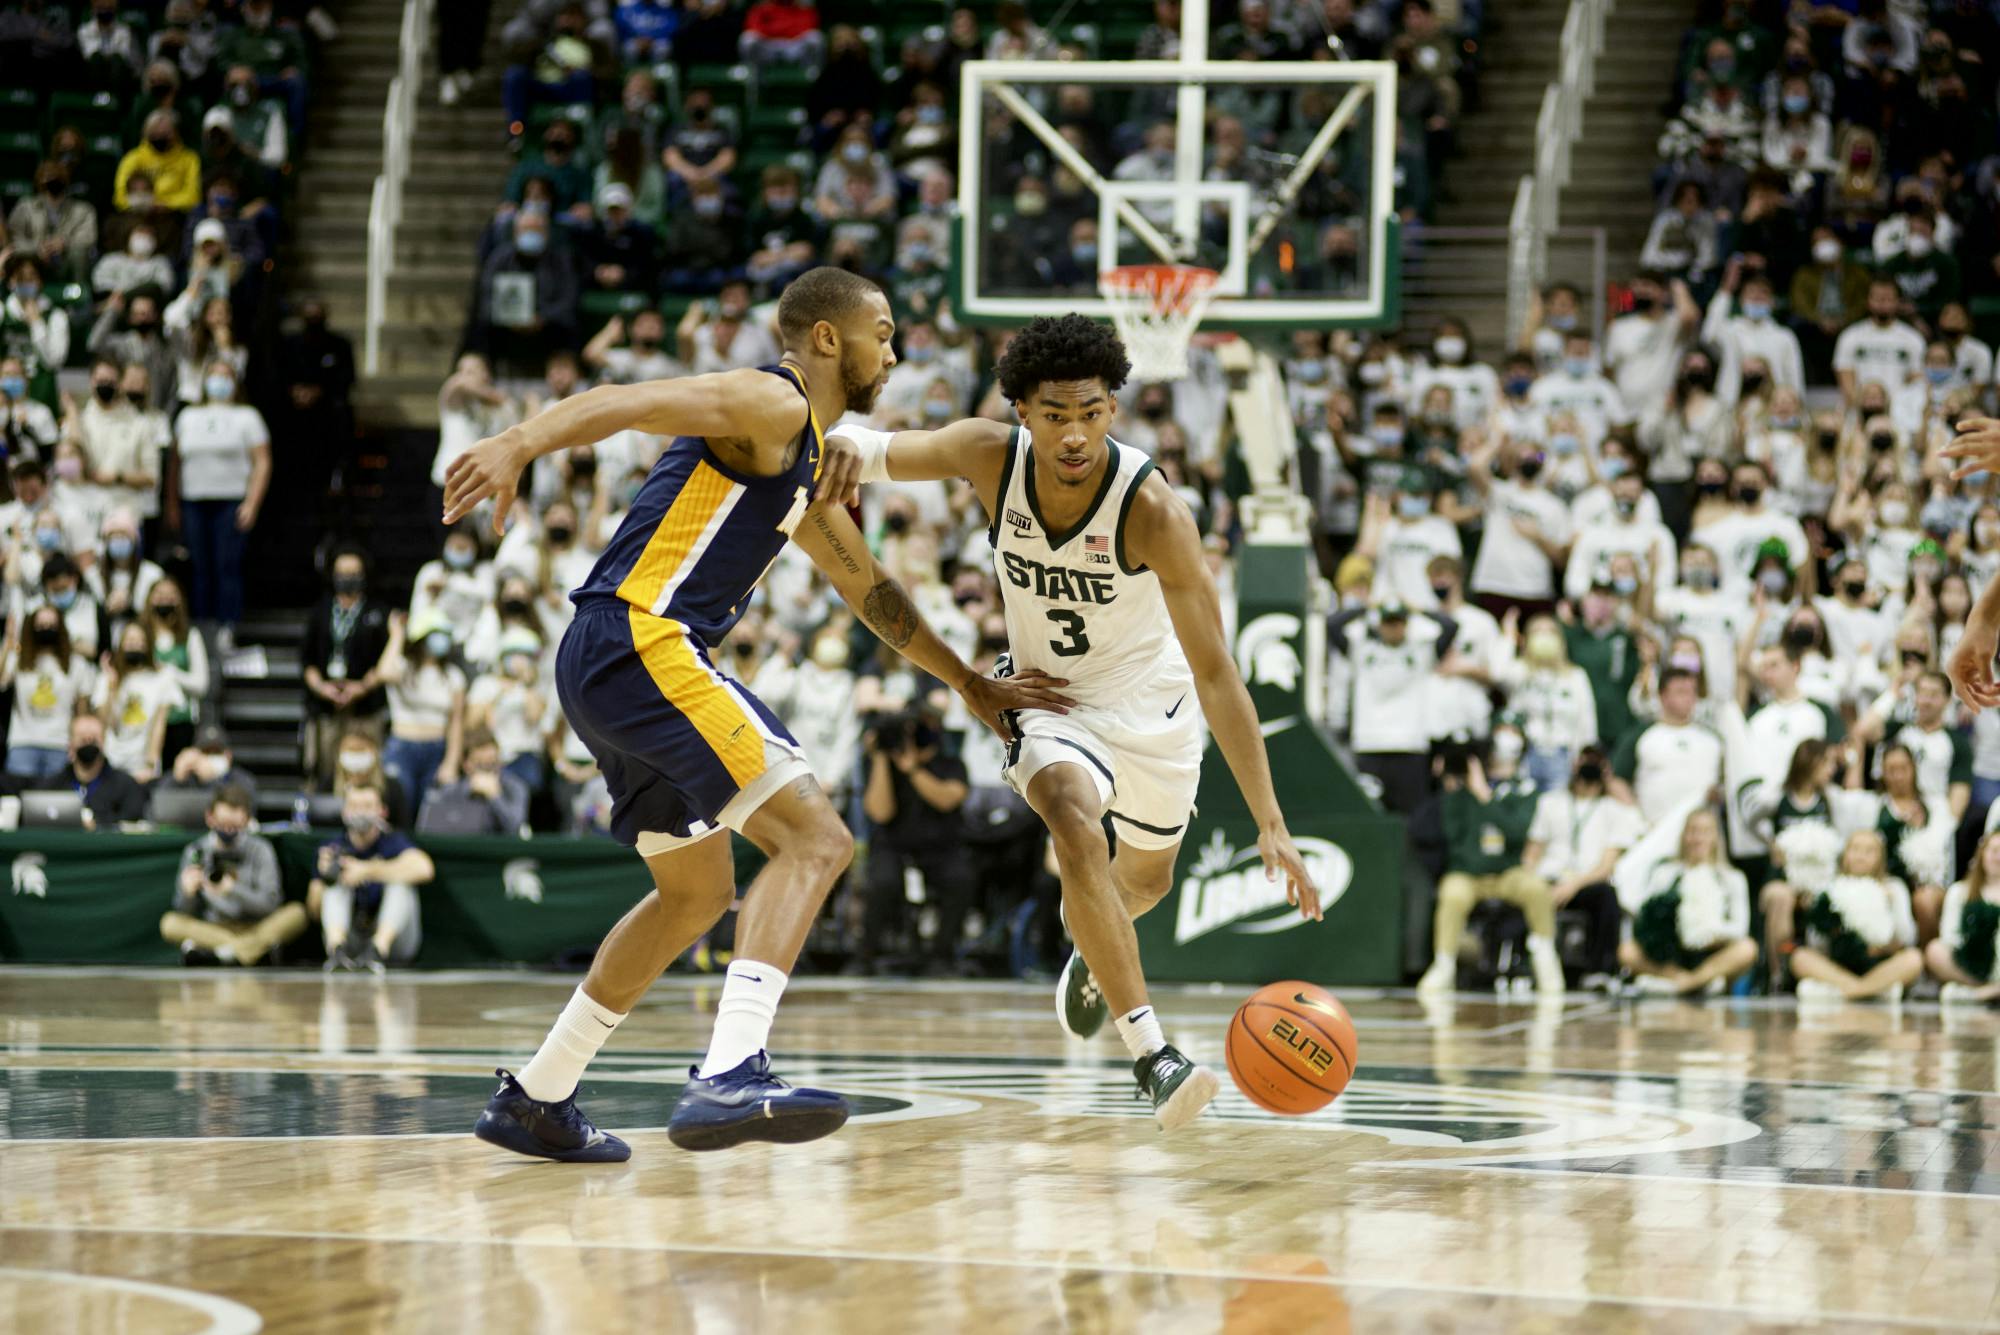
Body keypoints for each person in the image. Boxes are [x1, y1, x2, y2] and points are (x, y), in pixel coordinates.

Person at [444, 267, 1066, 1160]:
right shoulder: (770, 403)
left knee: (695, 894)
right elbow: (629, 397)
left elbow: (871, 591)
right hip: (642, 637)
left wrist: (966, 679)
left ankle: (539, 1095)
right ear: (825, 339)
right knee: (817, 839)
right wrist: (518, 441)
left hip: (605, 657)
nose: (893, 352)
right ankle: (732, 1068)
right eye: (881, 333)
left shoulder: (803, 453)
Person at [826, 313, 1323, 1130]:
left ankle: (1098, 940)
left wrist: (1270, 820)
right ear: (1023, 411)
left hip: (1153, 704)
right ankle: (1153, 1054)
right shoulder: (987, 454)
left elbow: (1216, 670)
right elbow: (871, 451)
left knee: (1149, 880)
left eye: (1091, 412)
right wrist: (843, 439)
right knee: (1069, 814)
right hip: (1050, 701)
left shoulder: (1154, 510)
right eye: (1055, 415)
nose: (1073, 433)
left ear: (1114, 410)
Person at [1418, 742, 1562, 995]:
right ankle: (1443, 964)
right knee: (1451, 894)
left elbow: (1517, 832)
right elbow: (1452, 836)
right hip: (1469, 875)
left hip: (1506, 872)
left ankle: (1546, 959)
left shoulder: (1522, 793)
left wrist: (1485, 796)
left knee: (1537, 889)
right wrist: (1454, 789)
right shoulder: (1458, 797)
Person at [852, 706, 971, 976]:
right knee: (882, 881)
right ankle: (866, 954)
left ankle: (942, 954)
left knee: (960, 878)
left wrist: (914, 769)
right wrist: (882, 758)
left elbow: (948, 799)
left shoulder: (950, 763)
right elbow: (880, 812)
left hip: (941, 848)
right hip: (893, 845)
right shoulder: (882, 765)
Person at [172, 359, 270, 637]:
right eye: (213, 375)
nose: (219, 381)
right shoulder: (188, 416)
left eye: (225, 376)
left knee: (227, 565)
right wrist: (172, 504)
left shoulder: (247, 416)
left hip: (231, 501)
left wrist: (252, 503)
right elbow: (175, 464)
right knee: (199, 567)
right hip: (193, 501)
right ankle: (202, 628)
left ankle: (227, 626)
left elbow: (262, 462)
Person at [160, 786, 307, 965]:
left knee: (297, 914)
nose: (228, 830)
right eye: (223, 824)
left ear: (246, 820)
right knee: (169, 923)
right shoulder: (196, 852)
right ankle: (246, 951)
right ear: (210, 818)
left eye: (234, 826)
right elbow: (184, 911)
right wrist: (187, 893)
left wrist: (232, 889)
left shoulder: (260, 849)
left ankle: (226, 952)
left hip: (256, 927)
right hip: (214, 929)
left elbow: (270, 905)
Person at [1619, 805, 1758, 995]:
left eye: (1705, 832)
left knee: (1747, 949)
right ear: (1683, 836)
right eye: (1692, 831)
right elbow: (1647, 916)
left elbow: (1740, 929)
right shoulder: (1664, 873)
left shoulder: (1733, 878)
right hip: (1671, 954)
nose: (1698, 838)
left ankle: (1690, 983)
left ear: (1716, 837)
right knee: (1627, 951)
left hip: (1712, 952)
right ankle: (1681, 979)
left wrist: (1708, 932)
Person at [312, 783, 434, 973]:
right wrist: (325, 876)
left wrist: (367, 870)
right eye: (354, 806)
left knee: (401, 884)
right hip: (351, 938)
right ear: (344, 811)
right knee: (336, 883)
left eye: (367, 806)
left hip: (395, 944)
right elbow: (312, 908)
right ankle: (337, 952)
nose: (360, 812)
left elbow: (425, 868)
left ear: (382, 811)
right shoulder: (332, 847)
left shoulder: (393, 841)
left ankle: (376, 952)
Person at [1790, 830, 1923, 1003]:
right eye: (1855, 849)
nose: (1861, 856)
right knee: (1800, 957)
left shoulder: (1894, 887)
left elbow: (1908, 938)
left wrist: (1890, 905)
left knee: (1914, 959)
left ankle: (1851, 990)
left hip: (1879, 964)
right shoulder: (1829, 888)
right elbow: (1816, 943)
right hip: (1838, 966)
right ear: (1845, 855)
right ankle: (1866, 989)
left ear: (1880, 858)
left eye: (1869, 851)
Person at [2, 601, 94, 782]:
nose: (46, 629)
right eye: (41, 625)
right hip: (23, 743)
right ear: (31, 627)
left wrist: (77, 744)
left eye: (51, 625)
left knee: (56, 804)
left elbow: (81, 711)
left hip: (60, 745)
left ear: (61, 628)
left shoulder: (76, 664)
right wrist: (8, 642)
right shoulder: (20, 660)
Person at [95, 618, 180, 782]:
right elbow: (104, 724)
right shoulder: (106, 678)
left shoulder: (163, 678)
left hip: (142, 764)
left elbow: (159, 726)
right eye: (130, 640)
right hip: (110, 762)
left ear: (148, 645)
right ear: (120, 645)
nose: (135, 645)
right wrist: (112, 688)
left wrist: (150, 765)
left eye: (140, 641)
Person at [1929, 832, 2000, 1004]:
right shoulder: (1960, 891)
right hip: (1970, 963)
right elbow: (1949, 936)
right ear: (1982, 854)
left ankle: (1982, 992)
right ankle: (1984, 989)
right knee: (1935, 950)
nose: (1998, 857)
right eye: (1994, 850)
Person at [417, 729, 531, 834]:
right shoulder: (454, 790)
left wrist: (495, 796)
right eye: (481, 765)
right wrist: (468, 790)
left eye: (492, 764)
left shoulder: (514, 786)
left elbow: (515, 827)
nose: (488, 771)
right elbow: (427, 823)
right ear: (466, 765)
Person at [59, 711, 148, 827]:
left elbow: (132, 821)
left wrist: (99, 824)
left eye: (93, 739)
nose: (88, 741)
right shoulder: (54, 784)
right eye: (82, 739)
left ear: (104, 741)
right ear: (70, 743)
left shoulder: (126, 785)